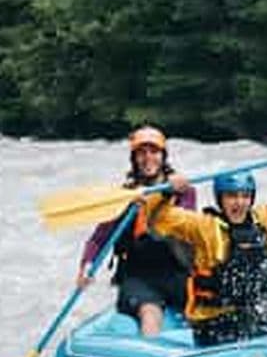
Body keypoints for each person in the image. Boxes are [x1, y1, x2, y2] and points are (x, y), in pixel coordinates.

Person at [139, 135, 267, 346]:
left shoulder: (266, 221)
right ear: (220, 199)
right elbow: (156, 218)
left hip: (251, 316)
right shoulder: (203, 227)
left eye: (245, 196)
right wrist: (166, 192)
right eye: (231, 196)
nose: (239, 203)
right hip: (214, 325)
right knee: (258, 325)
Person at [77, 124, 197, 336]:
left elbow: (185, 226)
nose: (148, 158)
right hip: (139, 276)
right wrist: (86, 265)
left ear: (163, 156)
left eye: (154, 152)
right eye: (141, 153)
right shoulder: (124, 197)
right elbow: (99, 238)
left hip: (176, 271)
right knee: (150, 313)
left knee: (206, 310)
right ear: (134, 159)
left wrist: (165, 196)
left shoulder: (183, 190)